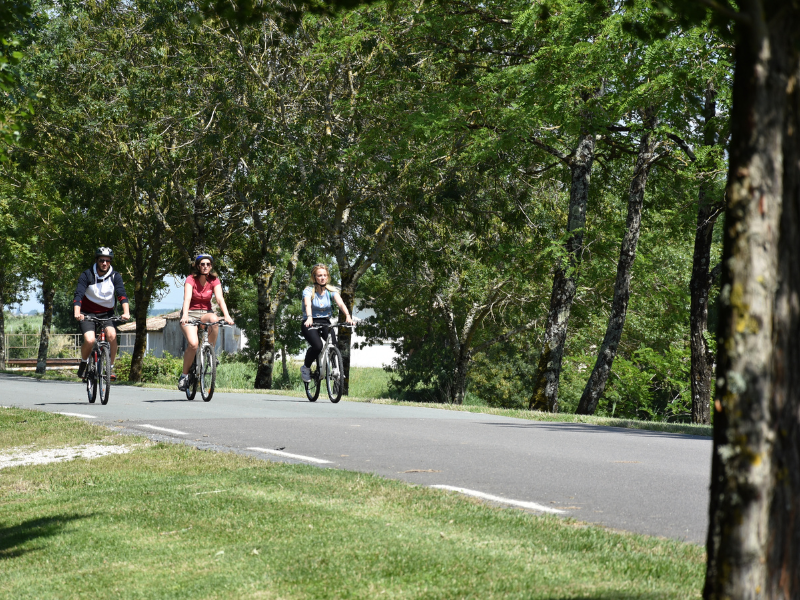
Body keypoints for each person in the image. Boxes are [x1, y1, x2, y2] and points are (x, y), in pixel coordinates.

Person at [177, 254, 234, 391]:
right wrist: (185, 315)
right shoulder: (191, 279)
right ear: (198, 266)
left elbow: (219, 299)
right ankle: (184, 376)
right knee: (193, 344)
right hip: (190, 313)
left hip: (206, 313)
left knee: (214, 319)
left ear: (211, 266)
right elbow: (187, 298)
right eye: (202, 264)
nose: (205, 266)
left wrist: (227, 316)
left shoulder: (214, 280)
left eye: (208, 264)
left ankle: (210, 353)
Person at [73, 247, 130, 380]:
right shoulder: (87, 275)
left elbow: (122, 295)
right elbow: (78, 295)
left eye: (108, 261)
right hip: (87, 313)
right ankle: (84, 362)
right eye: (102, 260)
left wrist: (126, 312)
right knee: (90, 339)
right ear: (97, 260)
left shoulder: (115, 276)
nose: (105, 263)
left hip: (107, 313)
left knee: (112, 335)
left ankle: (110, 368)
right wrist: (77, 312)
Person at [301, 263, 354, 382]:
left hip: (325, 321)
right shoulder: (308, 291)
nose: (322, 277)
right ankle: (306, 368)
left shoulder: (331, 291)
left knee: (333, 344)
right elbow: (307, 304)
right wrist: (309, 317)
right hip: (309, 322)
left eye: (325, 275)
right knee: (318, 346)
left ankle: (335, 369)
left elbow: (340, 303)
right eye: (319, 275)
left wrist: (348, 316)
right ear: (314, 277)